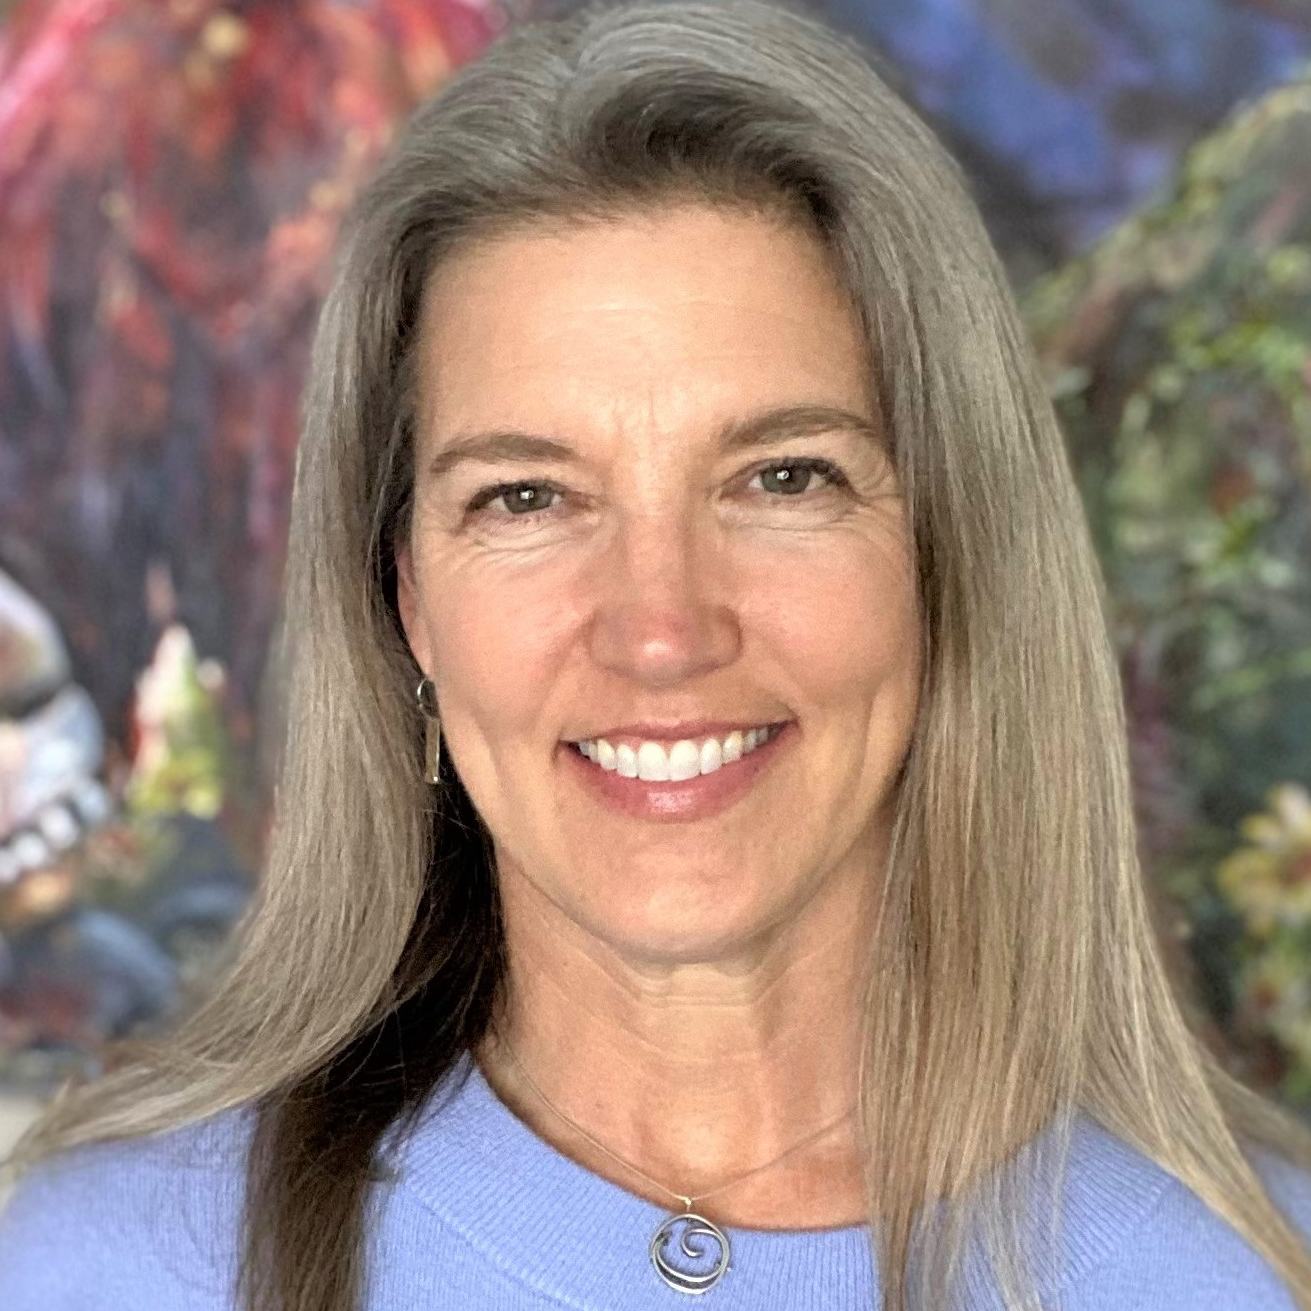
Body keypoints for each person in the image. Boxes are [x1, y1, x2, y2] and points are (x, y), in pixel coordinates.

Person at [3, 1, 1311, 1308]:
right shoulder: (97, 1269)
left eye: (781, 477)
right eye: (526, 497)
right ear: (407, 599)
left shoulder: (1257, 1268)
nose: (661, 630)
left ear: (948, 551)